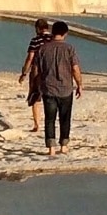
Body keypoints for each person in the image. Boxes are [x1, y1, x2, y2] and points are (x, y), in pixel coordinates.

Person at [31, 20, 82, 155]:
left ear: (52, 32)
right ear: (65, 33)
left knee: (50, 118)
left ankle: (51, 148)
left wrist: (35, 85)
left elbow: (36, 69)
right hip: (66, 89)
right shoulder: (70, 49)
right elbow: (75, 69)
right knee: (65, 118)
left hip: (48, 88)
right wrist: (79, 84)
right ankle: (64, 145)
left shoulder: (42, 49)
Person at [18, 19, 49, 135]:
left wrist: (24, 73)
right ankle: (49, 122)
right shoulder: (52, 39)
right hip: (50, 71)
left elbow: (30, 58)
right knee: (49, 97)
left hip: (37, 71)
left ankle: (37, 125)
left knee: (35, 97)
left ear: (37, 28)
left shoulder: (35, 40)